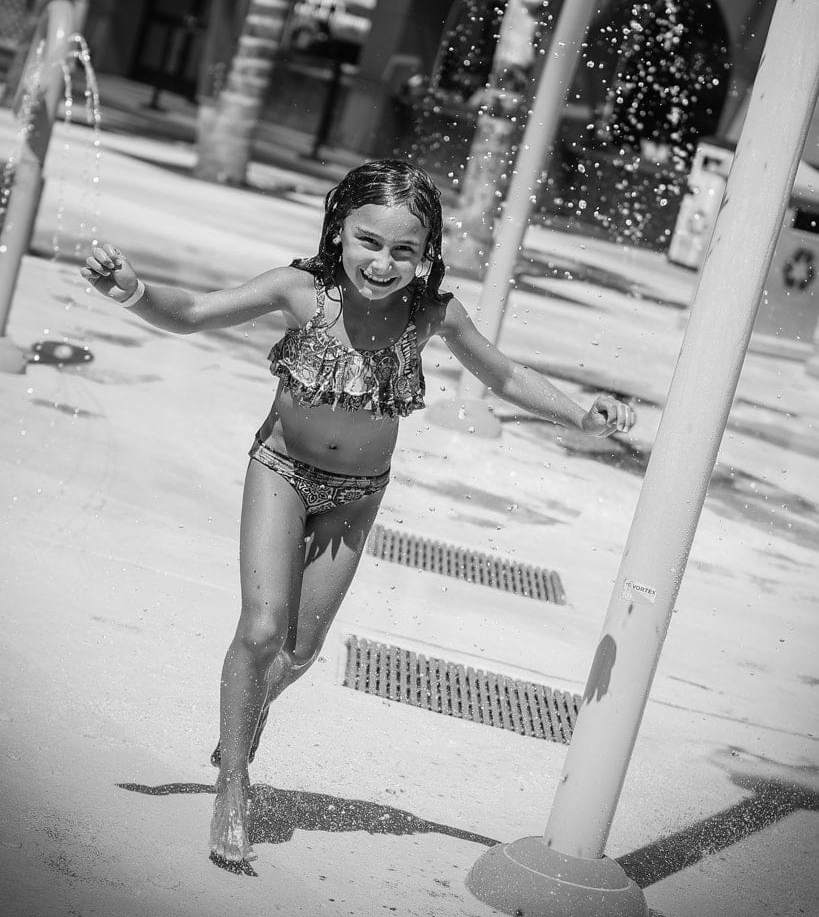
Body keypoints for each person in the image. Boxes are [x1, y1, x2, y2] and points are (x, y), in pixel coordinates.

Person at [81, 159, 635, 870]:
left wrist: (580, 416)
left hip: (358, 494)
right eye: (369, 242)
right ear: (339, 231)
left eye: (404, 250)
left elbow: (505, 375)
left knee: (301, 650)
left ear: (427, 256)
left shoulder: (431, 315)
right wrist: (131, 291)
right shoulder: (301, 293)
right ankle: (233, 780)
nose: (383, 262)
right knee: (259, 629)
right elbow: (191, 313)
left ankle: (242, 715)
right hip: (280, 472)